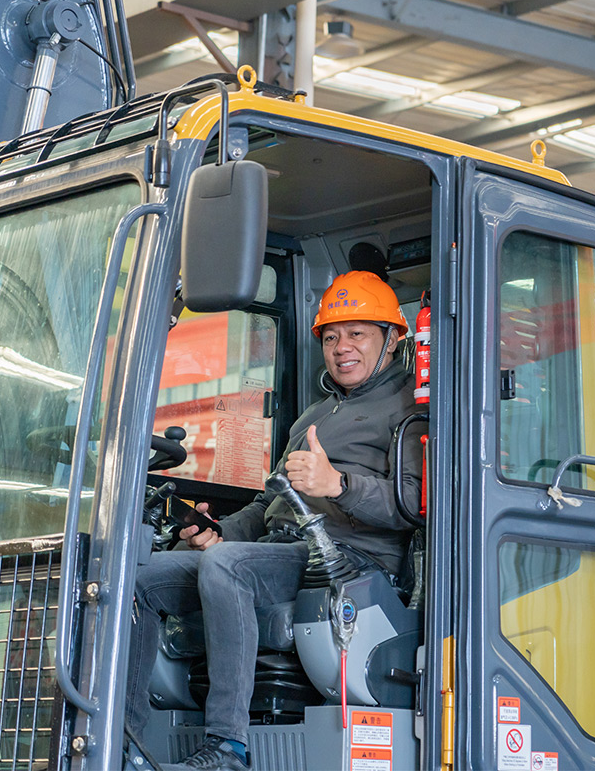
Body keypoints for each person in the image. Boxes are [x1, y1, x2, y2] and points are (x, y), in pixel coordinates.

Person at [126, 270, 422, 771]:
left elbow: (414, 503)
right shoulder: (312, 417)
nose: (342, 348)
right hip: (281, 552)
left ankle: (228, 745)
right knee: (137, 579)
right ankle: (127, 740)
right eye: (331, 337)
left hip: (346, 563)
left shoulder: (409, 409)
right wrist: (218, 532)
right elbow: (268, 504)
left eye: (357, 333)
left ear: (392, 339)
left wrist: (339, 485)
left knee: (227, 567)